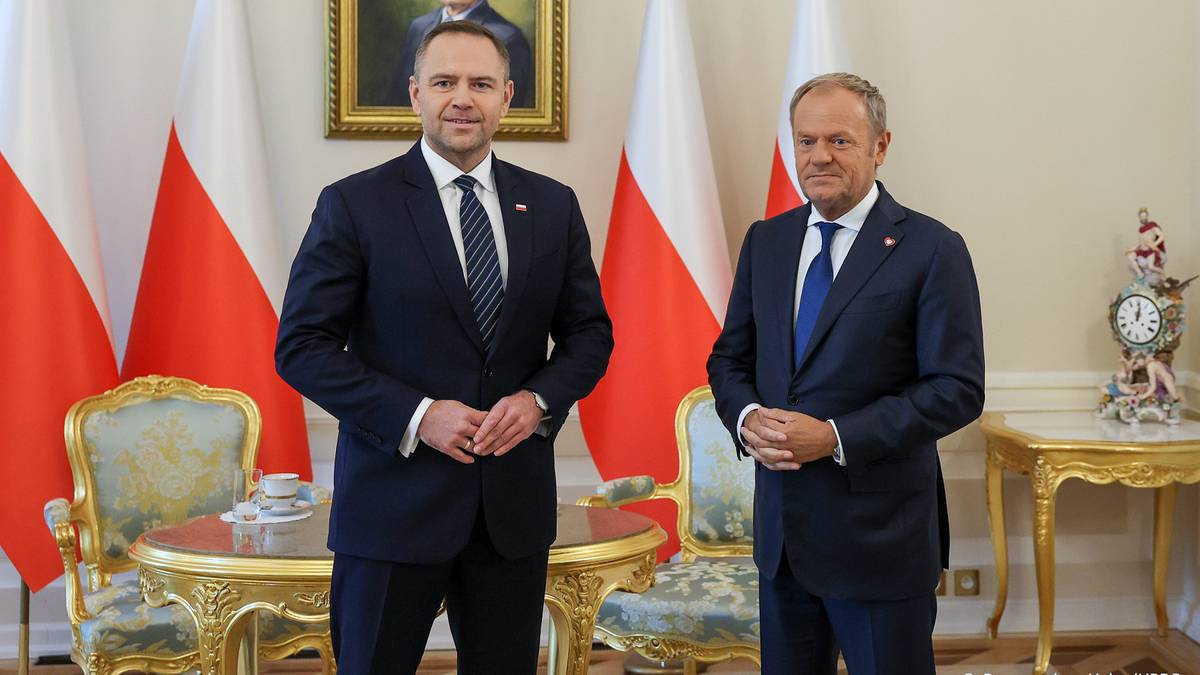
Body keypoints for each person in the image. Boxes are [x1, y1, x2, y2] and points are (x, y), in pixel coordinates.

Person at [276, 20, 612, 674]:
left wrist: (539, 398)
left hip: (509, 515)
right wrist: (419, 414)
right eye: (445, 82)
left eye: (481, 83)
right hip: (391, 509)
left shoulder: (551, 206)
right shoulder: (355, 205)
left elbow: (590, 333)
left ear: (507, 96)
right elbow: (302, 346)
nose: (463, 98)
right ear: (415, 94)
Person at [707, 73, 985, 674]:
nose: (819, 157)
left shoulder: (933, 249)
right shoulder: (768, 242)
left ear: (880, 147)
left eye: (839, 140)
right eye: (806, 142)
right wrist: (750, 418)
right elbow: (729, 359)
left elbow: (957, 389)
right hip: (783, 541)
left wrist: (834, 437)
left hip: (881, 543)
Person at [382, 0, 533, 108]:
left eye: (480, 85)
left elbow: (512, 110)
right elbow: (398, 95)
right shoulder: (418, 26)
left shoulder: (509, 38)